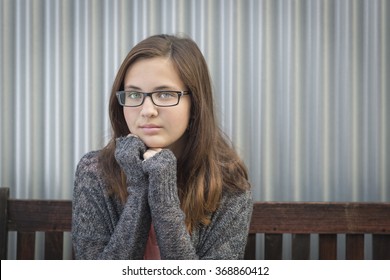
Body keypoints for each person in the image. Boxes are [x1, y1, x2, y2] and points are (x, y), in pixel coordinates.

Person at [72, 34, 252, 260]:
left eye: (165, 94)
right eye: (135, 94)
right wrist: (139, 189)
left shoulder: (228, 182)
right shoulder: (95, 171)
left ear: (195, 103)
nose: (147, 110)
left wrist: (163, 195)